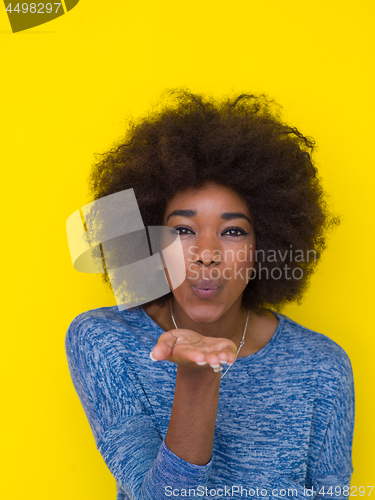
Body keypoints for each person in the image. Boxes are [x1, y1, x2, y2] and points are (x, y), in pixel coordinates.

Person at [65, 90, 354, 500]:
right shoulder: (105, 340)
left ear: (265, 245)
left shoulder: (322, 367)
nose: (206, 254)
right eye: (183, 230)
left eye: (232, 231)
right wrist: (197, 376)